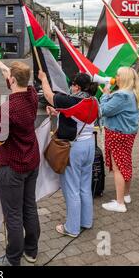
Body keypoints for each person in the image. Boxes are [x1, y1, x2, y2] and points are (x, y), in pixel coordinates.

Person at [0, 52, 40, 266]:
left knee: (13, 215)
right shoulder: (33, 94)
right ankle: (31, 251)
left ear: (12, 81)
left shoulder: (7, 108)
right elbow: (11, 73)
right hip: (31, 162)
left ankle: (12, 258)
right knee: (30, 206)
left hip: (13, 168)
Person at [39, 71, 99, 238]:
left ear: (77, 87)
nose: (70, 87)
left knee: (71, 188)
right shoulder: (93, 100)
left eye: (72, 84)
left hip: (75, 147)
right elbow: (76, 116)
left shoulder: (72, 100)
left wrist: (44, 78)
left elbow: (49, 95)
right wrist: (58, 112)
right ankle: (86, 221)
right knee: (84, 186)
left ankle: (72, 228)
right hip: (89, 145)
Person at [100, 67, 139, 213]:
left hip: (117, 134)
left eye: (118, 75)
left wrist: (105, 95)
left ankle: (119, 203)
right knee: (126, 163)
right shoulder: (133, 93)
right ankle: (126, 195)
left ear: (123, 78)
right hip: (128, 134)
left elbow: (104, 110)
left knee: (118, 167)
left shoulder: (121, 96)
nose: (115, 77)